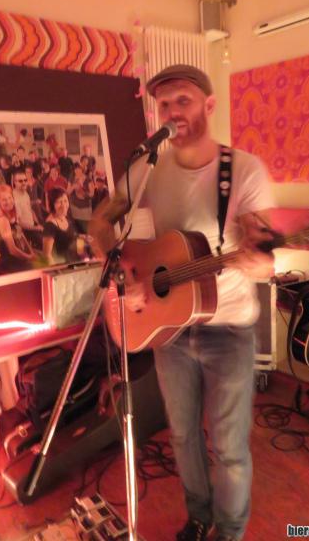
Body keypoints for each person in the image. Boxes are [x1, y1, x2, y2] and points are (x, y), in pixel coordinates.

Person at [89, 64, 275, 541]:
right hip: (168, 327)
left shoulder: (244, 170)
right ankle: (199, 517)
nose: (173, 112)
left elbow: (262, 261)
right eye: (165, 104)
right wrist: (123, 271)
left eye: (184, 101)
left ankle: (229, 531)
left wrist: (257, 260)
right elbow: (101, 222)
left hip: (229, 329)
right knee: (182, 435)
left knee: (229, 448)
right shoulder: (148, 168)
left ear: (209, 105)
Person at [0, 184, 36, 273]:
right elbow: (12, 250)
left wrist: (31, 252)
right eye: (4, 199)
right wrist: (30, 258)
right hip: (11, 263)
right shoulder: (2, 220)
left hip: (21, 254)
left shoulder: (10, 213)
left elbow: (21, 234)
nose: (8, 201)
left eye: (10, 197)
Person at [43, 187, 80, 265]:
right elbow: (47, 255)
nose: (64, 205)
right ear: (52, 204)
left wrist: (83, 238)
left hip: (75, 263)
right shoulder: (50, 225)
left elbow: (71, 237)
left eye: (65, 201)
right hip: (63, 267)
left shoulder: (67, 217)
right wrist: (57, 270)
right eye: (59, 202)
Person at [12, 170, 43, 249]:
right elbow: (19, 224)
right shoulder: (15, 200)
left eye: (25, 180)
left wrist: (37, 223)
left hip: (32, 225)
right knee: (44, 245)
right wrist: (36, 228)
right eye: (20, 181)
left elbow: (30, 209)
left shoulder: (25, 193)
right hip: (26, 231)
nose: (24, 182)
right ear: (14, 182)